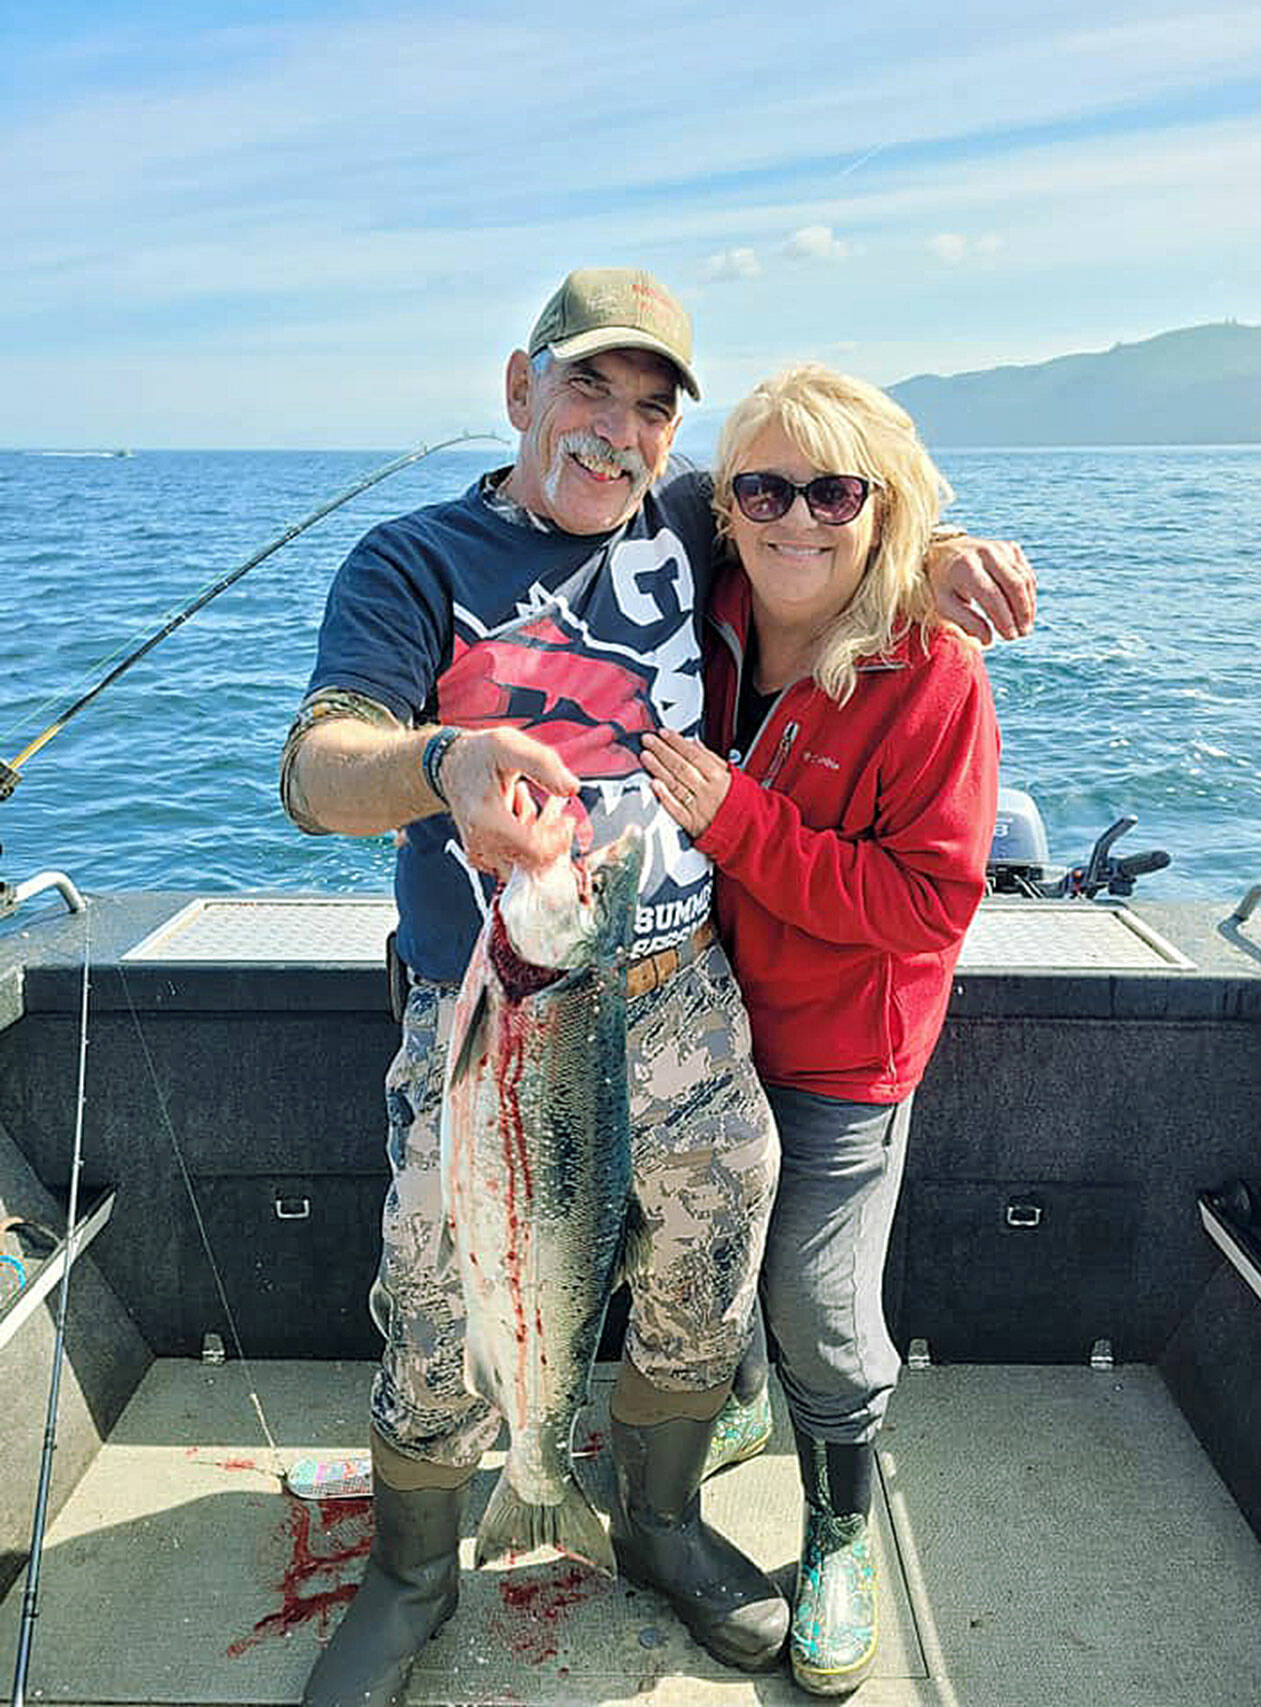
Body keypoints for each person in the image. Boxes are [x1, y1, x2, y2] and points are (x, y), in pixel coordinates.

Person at [280, 270, 1031, 1707]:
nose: (617, 435)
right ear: (519, 388)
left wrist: (929, 562)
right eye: (588, 392)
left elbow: (821, 519)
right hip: (494, 993)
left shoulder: (690, 523)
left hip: (686, 984)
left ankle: (662, 1518)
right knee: (444, 1269)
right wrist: (439, 766)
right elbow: (318, 767)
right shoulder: (407, 561)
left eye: (651, 409)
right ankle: (415, 1569)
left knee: (720, 1220)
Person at [640, 361, 1000, 1697]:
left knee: (813, 1296)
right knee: (689, 1246)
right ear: (724, 505)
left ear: (882, 503)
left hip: (842, 1053)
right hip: (692, 1013)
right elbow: (543, 505)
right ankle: (737, 1404)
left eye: (835, 489)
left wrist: (739, 823)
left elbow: (925, 905)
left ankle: (840, 1525)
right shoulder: (697, 588)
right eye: (765, 487)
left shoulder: (936, 678)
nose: (799, 516)